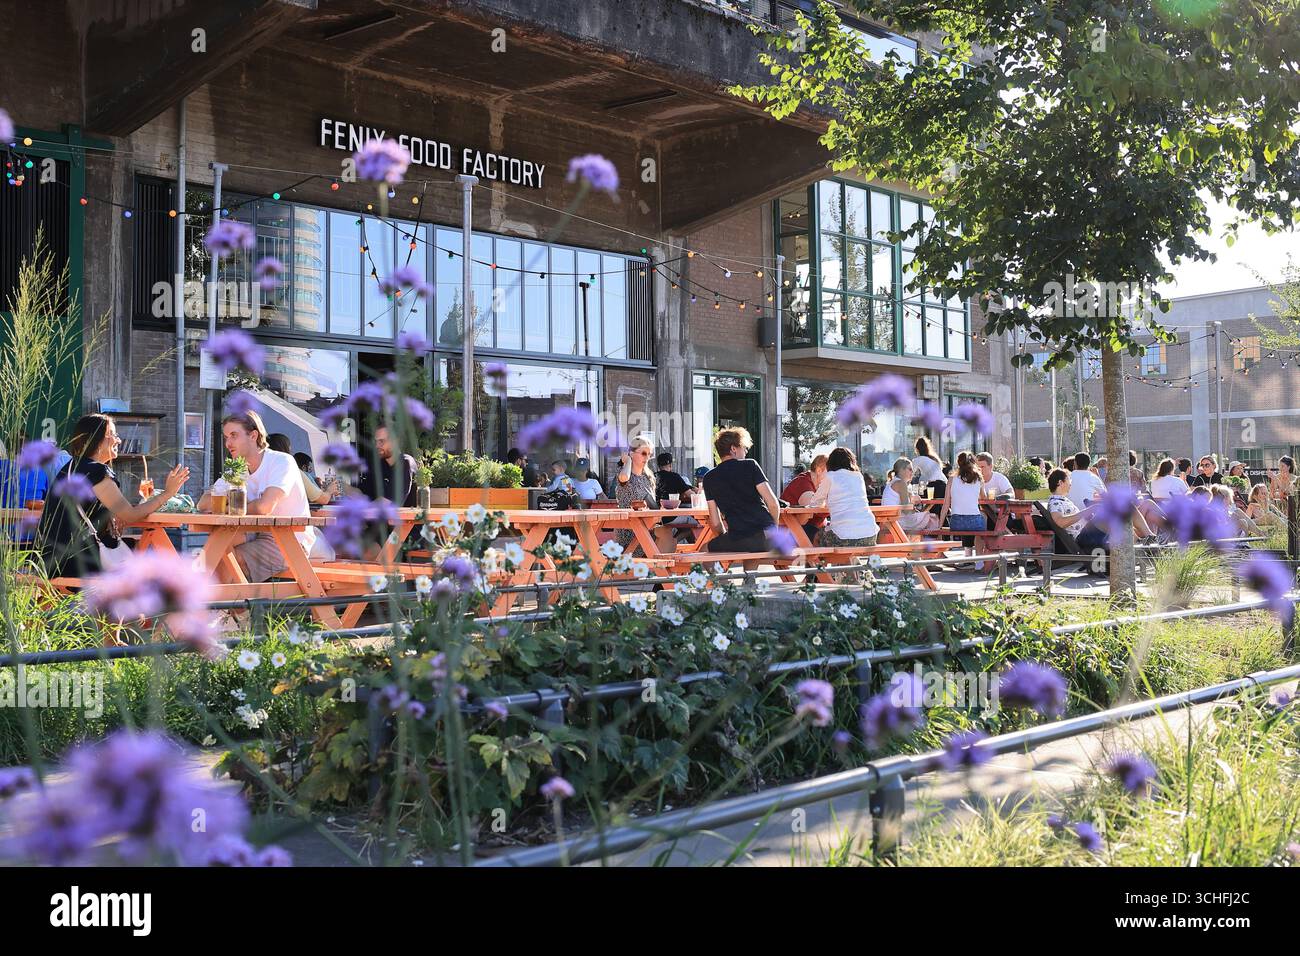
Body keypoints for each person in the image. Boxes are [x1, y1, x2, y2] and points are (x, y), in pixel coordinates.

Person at [37, 414, 189, 578]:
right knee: (151, 567)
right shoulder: (97, 471)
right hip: (74, 563)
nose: (118, 440)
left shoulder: (71, 467)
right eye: (114, 434)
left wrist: (108, 517)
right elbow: (130, 515)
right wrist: (168, 493)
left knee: (138, 550)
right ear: (98, 439)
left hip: (49, 560)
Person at [198, 412, 334, 581]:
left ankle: (221, 606)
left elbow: (264, 507)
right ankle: (225, 606)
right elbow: (203, 504)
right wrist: (238, 506)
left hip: (289, 538)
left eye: (234, 436)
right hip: (257, 531)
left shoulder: (281, 461)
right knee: (216, 545)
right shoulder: (237, 468)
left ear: (253, 435)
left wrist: (227, 506)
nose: (228, 443)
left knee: (228, 560)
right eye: (226, 437)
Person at [702, 427, 780, 564]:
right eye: (744, 448)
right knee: (749, 548)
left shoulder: (709, 478)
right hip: (768, 537)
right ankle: (749, 582)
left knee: (704, 551)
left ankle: (724, 584)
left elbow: (715, 522)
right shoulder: (750, 465)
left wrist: (724, 538)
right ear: (733, 448)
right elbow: (773, 503)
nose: (746, 452)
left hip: (740, 537)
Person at [807, 447, 878, 581]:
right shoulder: (859, 477)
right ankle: (852, 580)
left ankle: (817, 580)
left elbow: (814, 502)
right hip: (870, 536)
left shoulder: (831, 476)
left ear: (831, 463)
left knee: (816, 537)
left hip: (844, 538)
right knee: (841, 538)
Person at [614, 436, 674, 552]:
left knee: (670, 532)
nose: (647, 458)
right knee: (666, 533)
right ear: (631, 453)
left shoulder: (648, 476)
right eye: (643, 453)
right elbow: (624, 477)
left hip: (647, 525)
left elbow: (652, 504)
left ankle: (661, 568)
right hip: (629, 528)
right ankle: (659, 568)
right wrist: (628, 461)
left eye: (649, 454)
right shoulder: (624, 473)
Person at [1045, 468, 1109, 552]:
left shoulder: (1062, 500)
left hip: (1085, 536)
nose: (1071, 484)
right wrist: (1087, 511)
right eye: (1068, 480)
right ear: (1060, 483)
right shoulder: (1055, 503)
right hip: (1081, 539)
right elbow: (1060, 522)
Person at [357, 425, 417, 507]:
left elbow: (384, 503)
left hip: (406, 519)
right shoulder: (379, 465)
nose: (377, 446)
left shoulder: (405, 463)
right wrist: (341, 486)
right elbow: (361, 494)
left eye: (381, 441)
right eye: (376, 442)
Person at [268, 434, 336, 506]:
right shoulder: (291, 470)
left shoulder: (261, 470)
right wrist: (330, 490)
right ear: (286, 451)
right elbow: (322, 499)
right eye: (290, 450)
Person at [882, 457, 940, 534]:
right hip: (897, 521)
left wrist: (913, 506)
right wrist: (913, 502)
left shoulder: (894, 482)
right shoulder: (901, 483)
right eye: (910, 469)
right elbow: (906, 510)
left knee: (928, 517)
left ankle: (918, 543)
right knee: (933, 519)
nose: (912, 472)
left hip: (890, 520)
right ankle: (928, 544)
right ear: (901, 470)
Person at [780, 454, 828, 543]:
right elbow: (812, 505)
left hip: (801, 529)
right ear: (819, 470)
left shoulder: (819, 487)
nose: (833, 477)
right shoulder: (802, 481)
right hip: (787, 534)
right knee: (827, 538)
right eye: (830, 473)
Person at [937, 451, 986, 533]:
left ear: (958, 463)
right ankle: (979, 546)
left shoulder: (952, 479)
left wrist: (939, 526)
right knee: (984, 518)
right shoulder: (979, 478)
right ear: (973, 463)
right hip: (975, 521)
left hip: (956, 522)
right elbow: (984, 498)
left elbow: (946, 504)